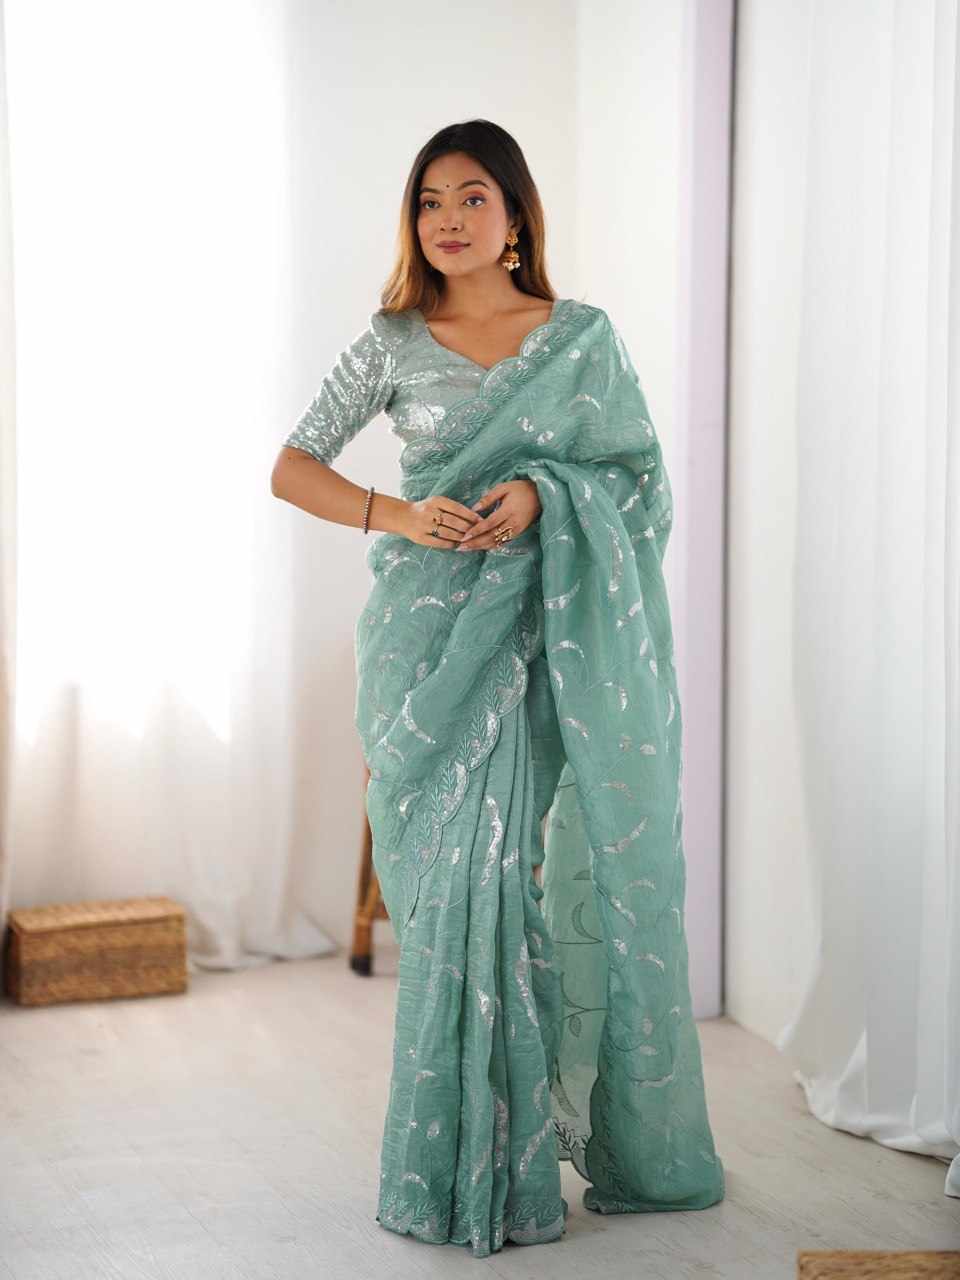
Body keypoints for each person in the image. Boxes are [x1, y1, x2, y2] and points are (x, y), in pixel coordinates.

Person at [271, 118, 725, 1258]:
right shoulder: (391, 340)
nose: (449, 219)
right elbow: (290, 465)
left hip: (542, 634)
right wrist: (396, 513)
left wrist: (540, 492)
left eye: (473, 197)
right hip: (425, 646)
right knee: (446, 897)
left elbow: (638, 483)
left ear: (516, 215)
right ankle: (452, 1162)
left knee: (513, 878)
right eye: (430, 201)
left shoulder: (580, 338)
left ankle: (520, 1169)